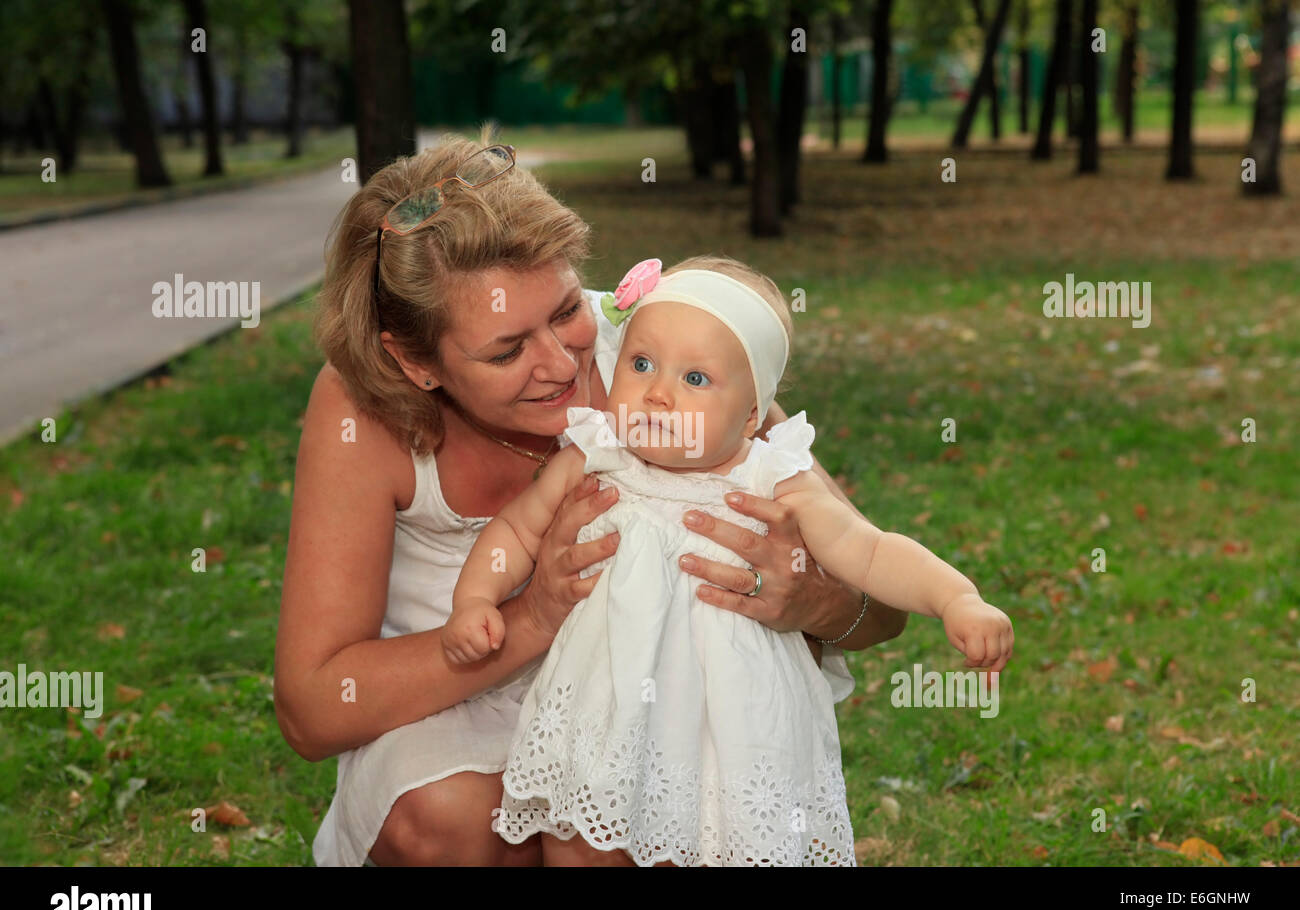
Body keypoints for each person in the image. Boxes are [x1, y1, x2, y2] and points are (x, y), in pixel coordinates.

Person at [273, 133, 910, 867]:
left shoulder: (672, 361)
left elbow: (881, 609)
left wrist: (814, 601)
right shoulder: (362, 408)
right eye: (507, 350)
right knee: (458, 820)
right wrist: (534, 617)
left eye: (568, 309)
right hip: (450, 703)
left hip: (647, 701)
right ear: (414, 363)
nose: (560, 363)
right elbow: (315, 708)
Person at [444, 256, 1015, 866]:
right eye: (641, 364)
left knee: (714, 838)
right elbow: (517, 531)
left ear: (750, 416)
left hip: (732, 717)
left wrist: (956, 597)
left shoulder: (772, 481)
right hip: (604, 699)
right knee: (580, 840)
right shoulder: (596, 458)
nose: (658, 393)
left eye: (695, 379)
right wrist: (475, 600)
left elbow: (871, 550)